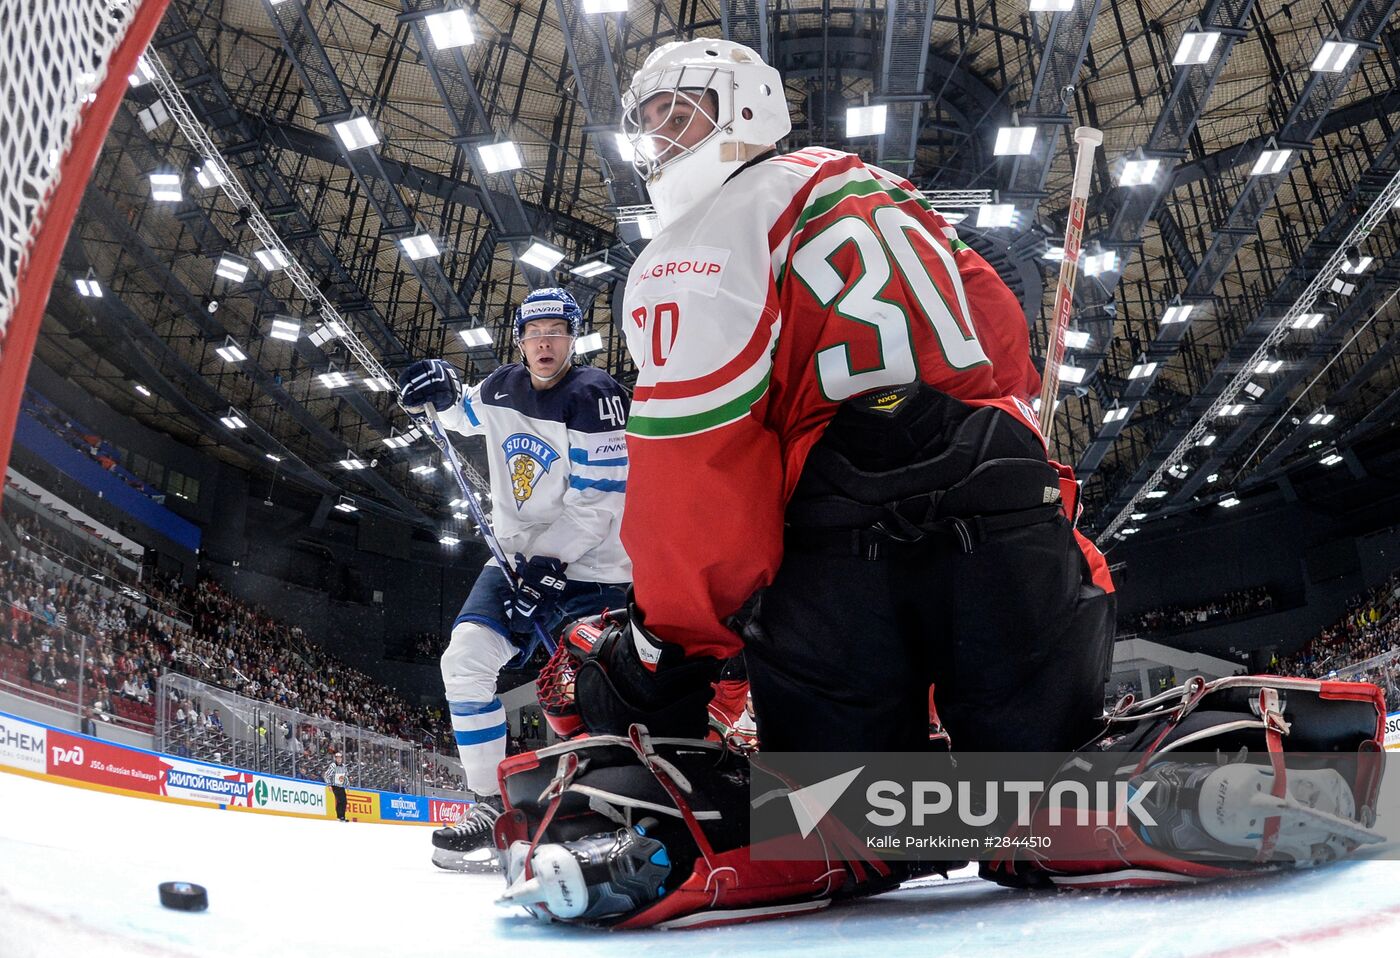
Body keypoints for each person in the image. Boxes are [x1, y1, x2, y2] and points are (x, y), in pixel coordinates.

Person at [495, 38, 1385, 927]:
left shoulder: (693, 245)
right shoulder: (882, 191)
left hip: (842, 560)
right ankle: (1164, 783)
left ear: (745, 110)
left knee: (840, 815)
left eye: (675, 112)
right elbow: (1000, 340)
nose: (658, 138)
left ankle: (757, 832)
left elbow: (698, 484)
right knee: (1030, 792)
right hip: (1012, 524)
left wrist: (668, 642)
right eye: (649, 119)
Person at [397, 287, 632, 870]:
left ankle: (618, 809)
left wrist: (551, 563)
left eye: (556, 331)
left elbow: (601, 498)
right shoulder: (502, 385)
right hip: (514, 561)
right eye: (534, 332)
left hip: (594, 571)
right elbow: (461, 415)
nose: (544, 342)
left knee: (599, 700)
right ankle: (486, 804)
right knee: (465, 661)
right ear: (520, 339)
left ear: (573, 338)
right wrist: (440, 394)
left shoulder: (597, 396)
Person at [324, 751, 349, 822]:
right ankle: (339, 816)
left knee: (344, 801)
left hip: (341, 786)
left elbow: (345, 776)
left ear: (341, 758)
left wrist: (347, 785)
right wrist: (329, 785)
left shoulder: (344, 766)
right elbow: (327, 775)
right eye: (337, 758)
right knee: (340, 800)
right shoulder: (333, 765)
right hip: (335, 785)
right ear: (335, 758)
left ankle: (342, 816)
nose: (338, 759)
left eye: (340, 757)